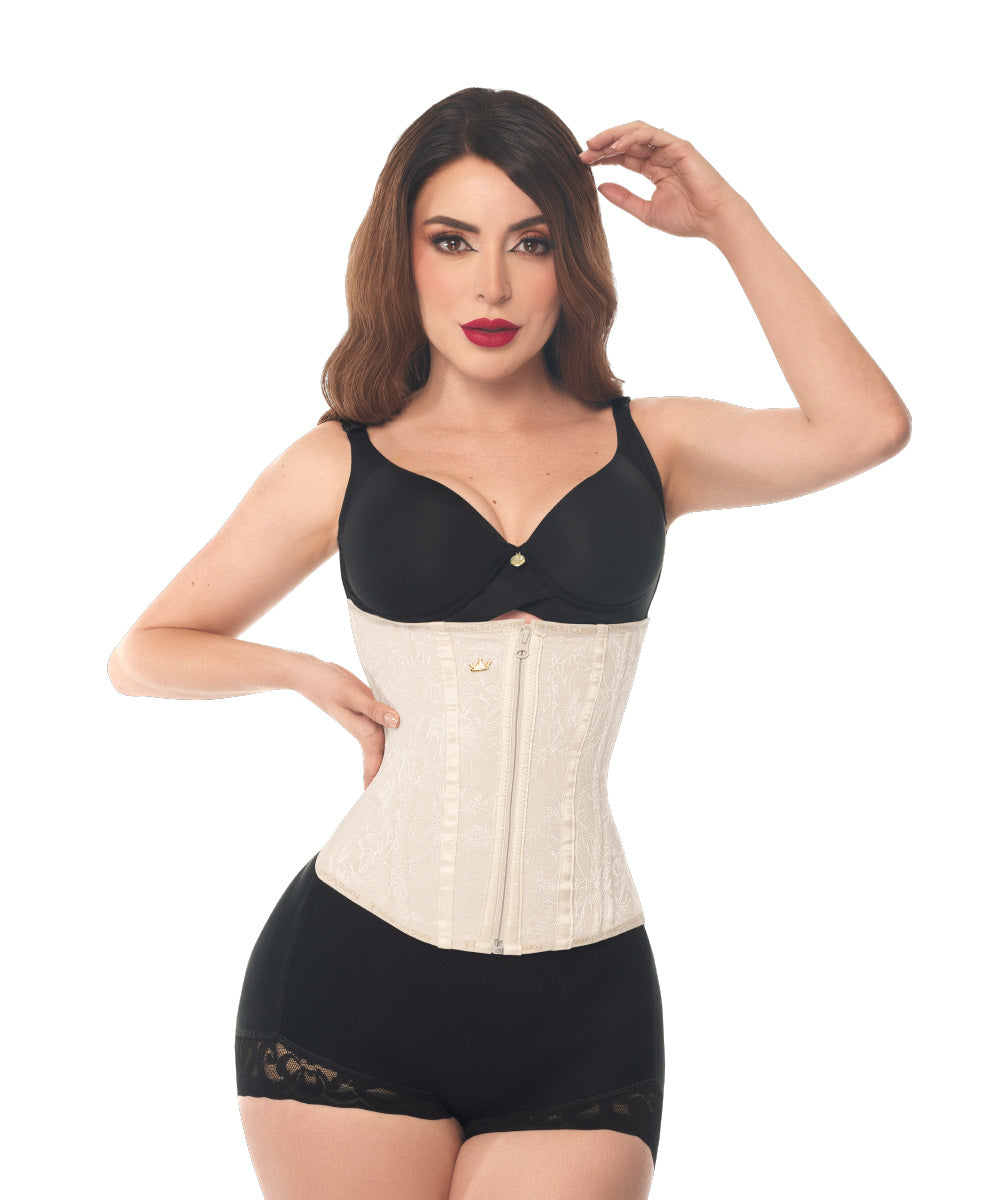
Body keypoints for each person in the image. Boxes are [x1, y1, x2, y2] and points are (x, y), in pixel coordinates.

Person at [107, 87, 910, 1200]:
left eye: (529, 243)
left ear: (570, 260)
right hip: (351, 976)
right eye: (452, 241)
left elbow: (867, 427)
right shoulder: (339, 461)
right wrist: (296, 673)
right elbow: (143, 653)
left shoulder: (655, 446)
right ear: (403, 257)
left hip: (582, 1000)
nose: (490, 285)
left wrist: (723, 217)